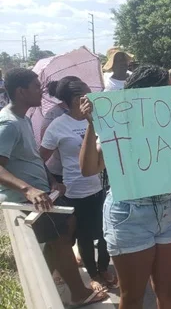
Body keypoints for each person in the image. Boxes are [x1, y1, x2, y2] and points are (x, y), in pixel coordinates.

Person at [0, 68, 108, 306]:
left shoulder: (24, 119)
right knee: (59, 238)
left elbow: (33, 159)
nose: (42, 90)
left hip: (44, 193)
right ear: (21, 91)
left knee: (63, 230)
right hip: (26, 199)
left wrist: (51, 181)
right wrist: (27, 189)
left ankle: (46, 283)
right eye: (37, 86)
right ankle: (79, 293)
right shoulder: (8, 124)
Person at [79, 66, 171, 309]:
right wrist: (93, 125)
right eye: (166, 88)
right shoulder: (117, 121)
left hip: (166, 213)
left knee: (169, 293)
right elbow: (89, 169)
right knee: (133, 297)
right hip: (129, 215)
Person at [39, 77, 117, 288]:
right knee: (83, 236)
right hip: (75, 191)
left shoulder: (99, 118)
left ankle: (103, 268)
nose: (92, 97)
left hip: (102, 187)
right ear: (76, 100)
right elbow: (40, 159)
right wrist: (53, 181)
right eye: (87, 94)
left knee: (104, 234)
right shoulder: (58, 126)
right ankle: (93, 275)